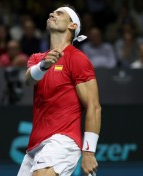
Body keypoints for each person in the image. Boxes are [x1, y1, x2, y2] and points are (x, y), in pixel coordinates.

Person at [18, 5, 101, 176]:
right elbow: (28, 80)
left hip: (63, 140)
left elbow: (93, 106)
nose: (51, 14)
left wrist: (89, 152)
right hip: (35, 145)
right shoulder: (37, 58)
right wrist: (44, 65)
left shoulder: (77, 59)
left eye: (59, 13)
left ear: (73, 26)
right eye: (52, 12)